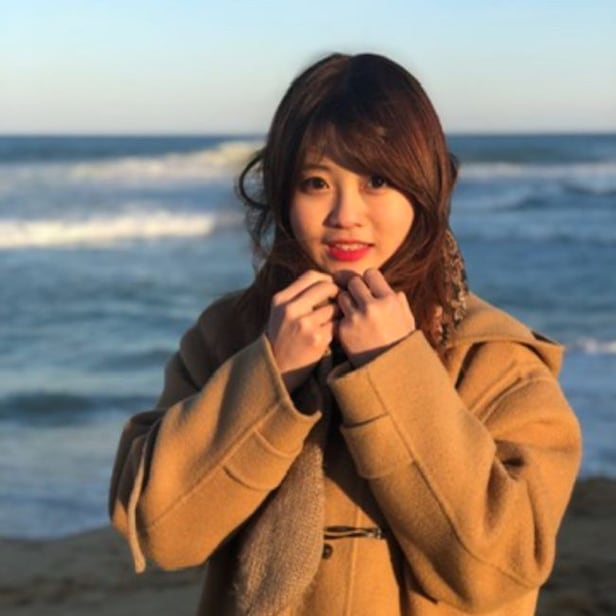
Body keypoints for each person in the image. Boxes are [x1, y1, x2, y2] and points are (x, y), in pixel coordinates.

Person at [109, 53, 582, 615]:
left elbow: (498, 571)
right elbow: (162, 533)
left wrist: (394, 369)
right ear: (283, 194)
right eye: (315, 183)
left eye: (376, 181)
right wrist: (270, 379)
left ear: (426, 187)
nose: (345, 214)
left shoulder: (496, 360)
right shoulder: (229, 335)